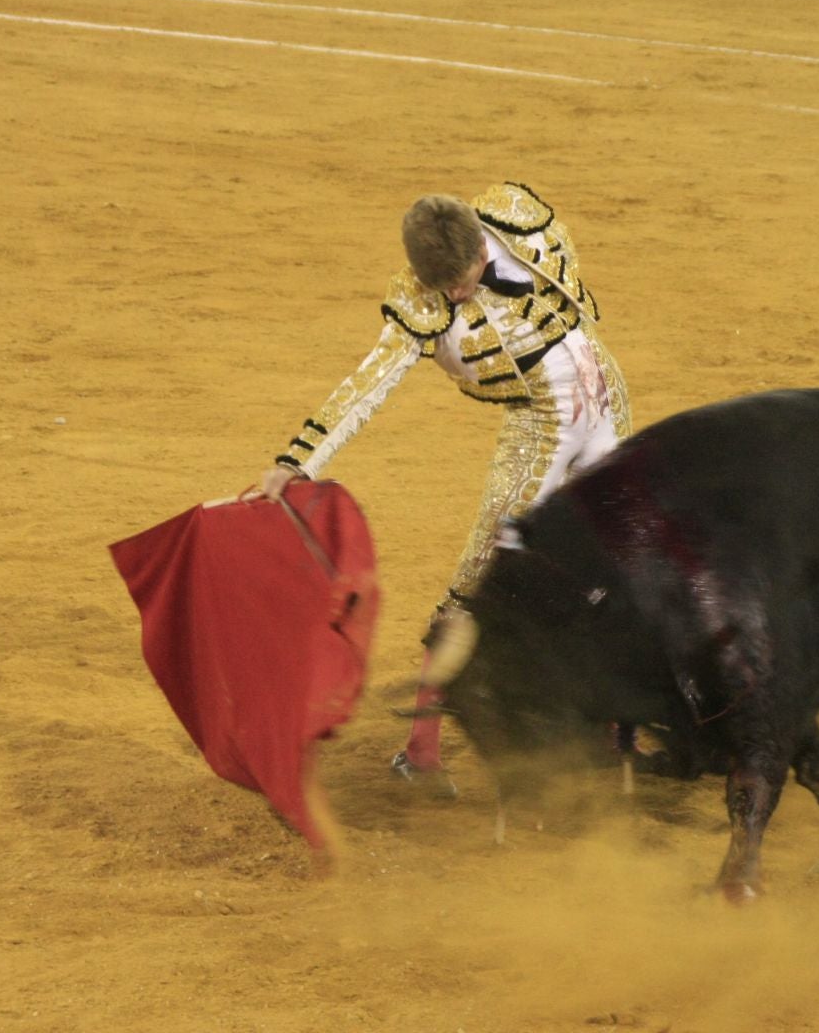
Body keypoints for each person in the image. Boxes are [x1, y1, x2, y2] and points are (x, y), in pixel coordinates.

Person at [257, 182, 631, 796]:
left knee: (617, 563)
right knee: (481, 579)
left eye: (463, 278)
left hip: (606, 395)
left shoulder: (516, 212)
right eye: (445, 287)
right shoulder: (419, 301)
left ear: (484, 247)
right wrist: (297, 460)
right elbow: (369, 383)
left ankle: (618, 733)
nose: (457, 294)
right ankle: (420, 754)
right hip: (540, 428)